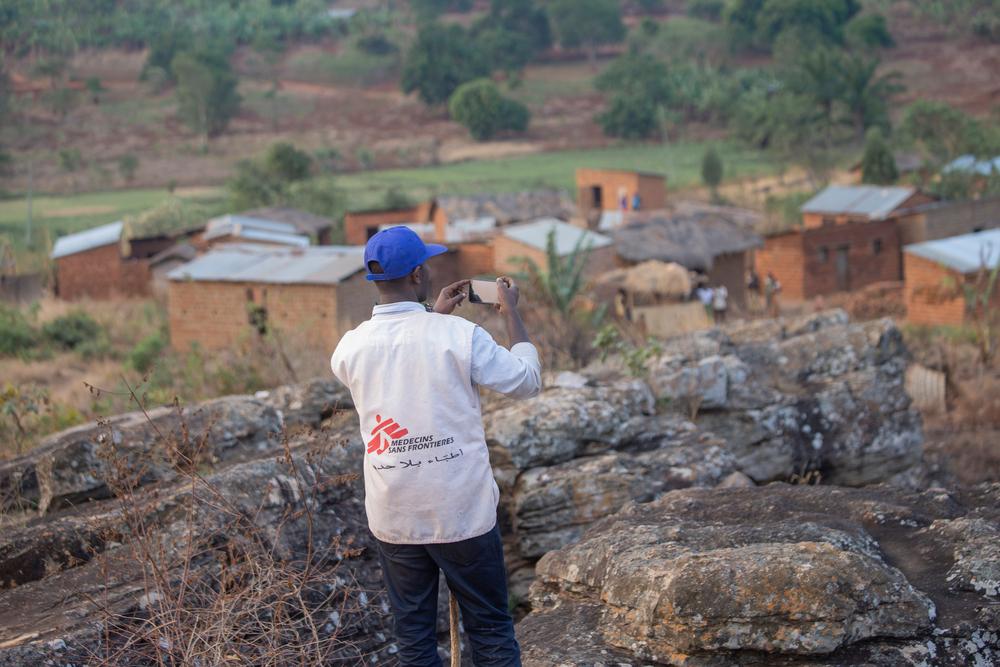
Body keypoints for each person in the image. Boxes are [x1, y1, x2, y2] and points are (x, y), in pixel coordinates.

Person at [330, 227, 541, 666]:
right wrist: (510, 314)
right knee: (489, 629)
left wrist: (432, 314)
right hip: (459, 509)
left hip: (395, 514)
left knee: (414, 637)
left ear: (375, 279)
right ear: (418, 275)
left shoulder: (348, 349)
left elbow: (402, 358)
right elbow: (526, 381)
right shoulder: (458, 335)